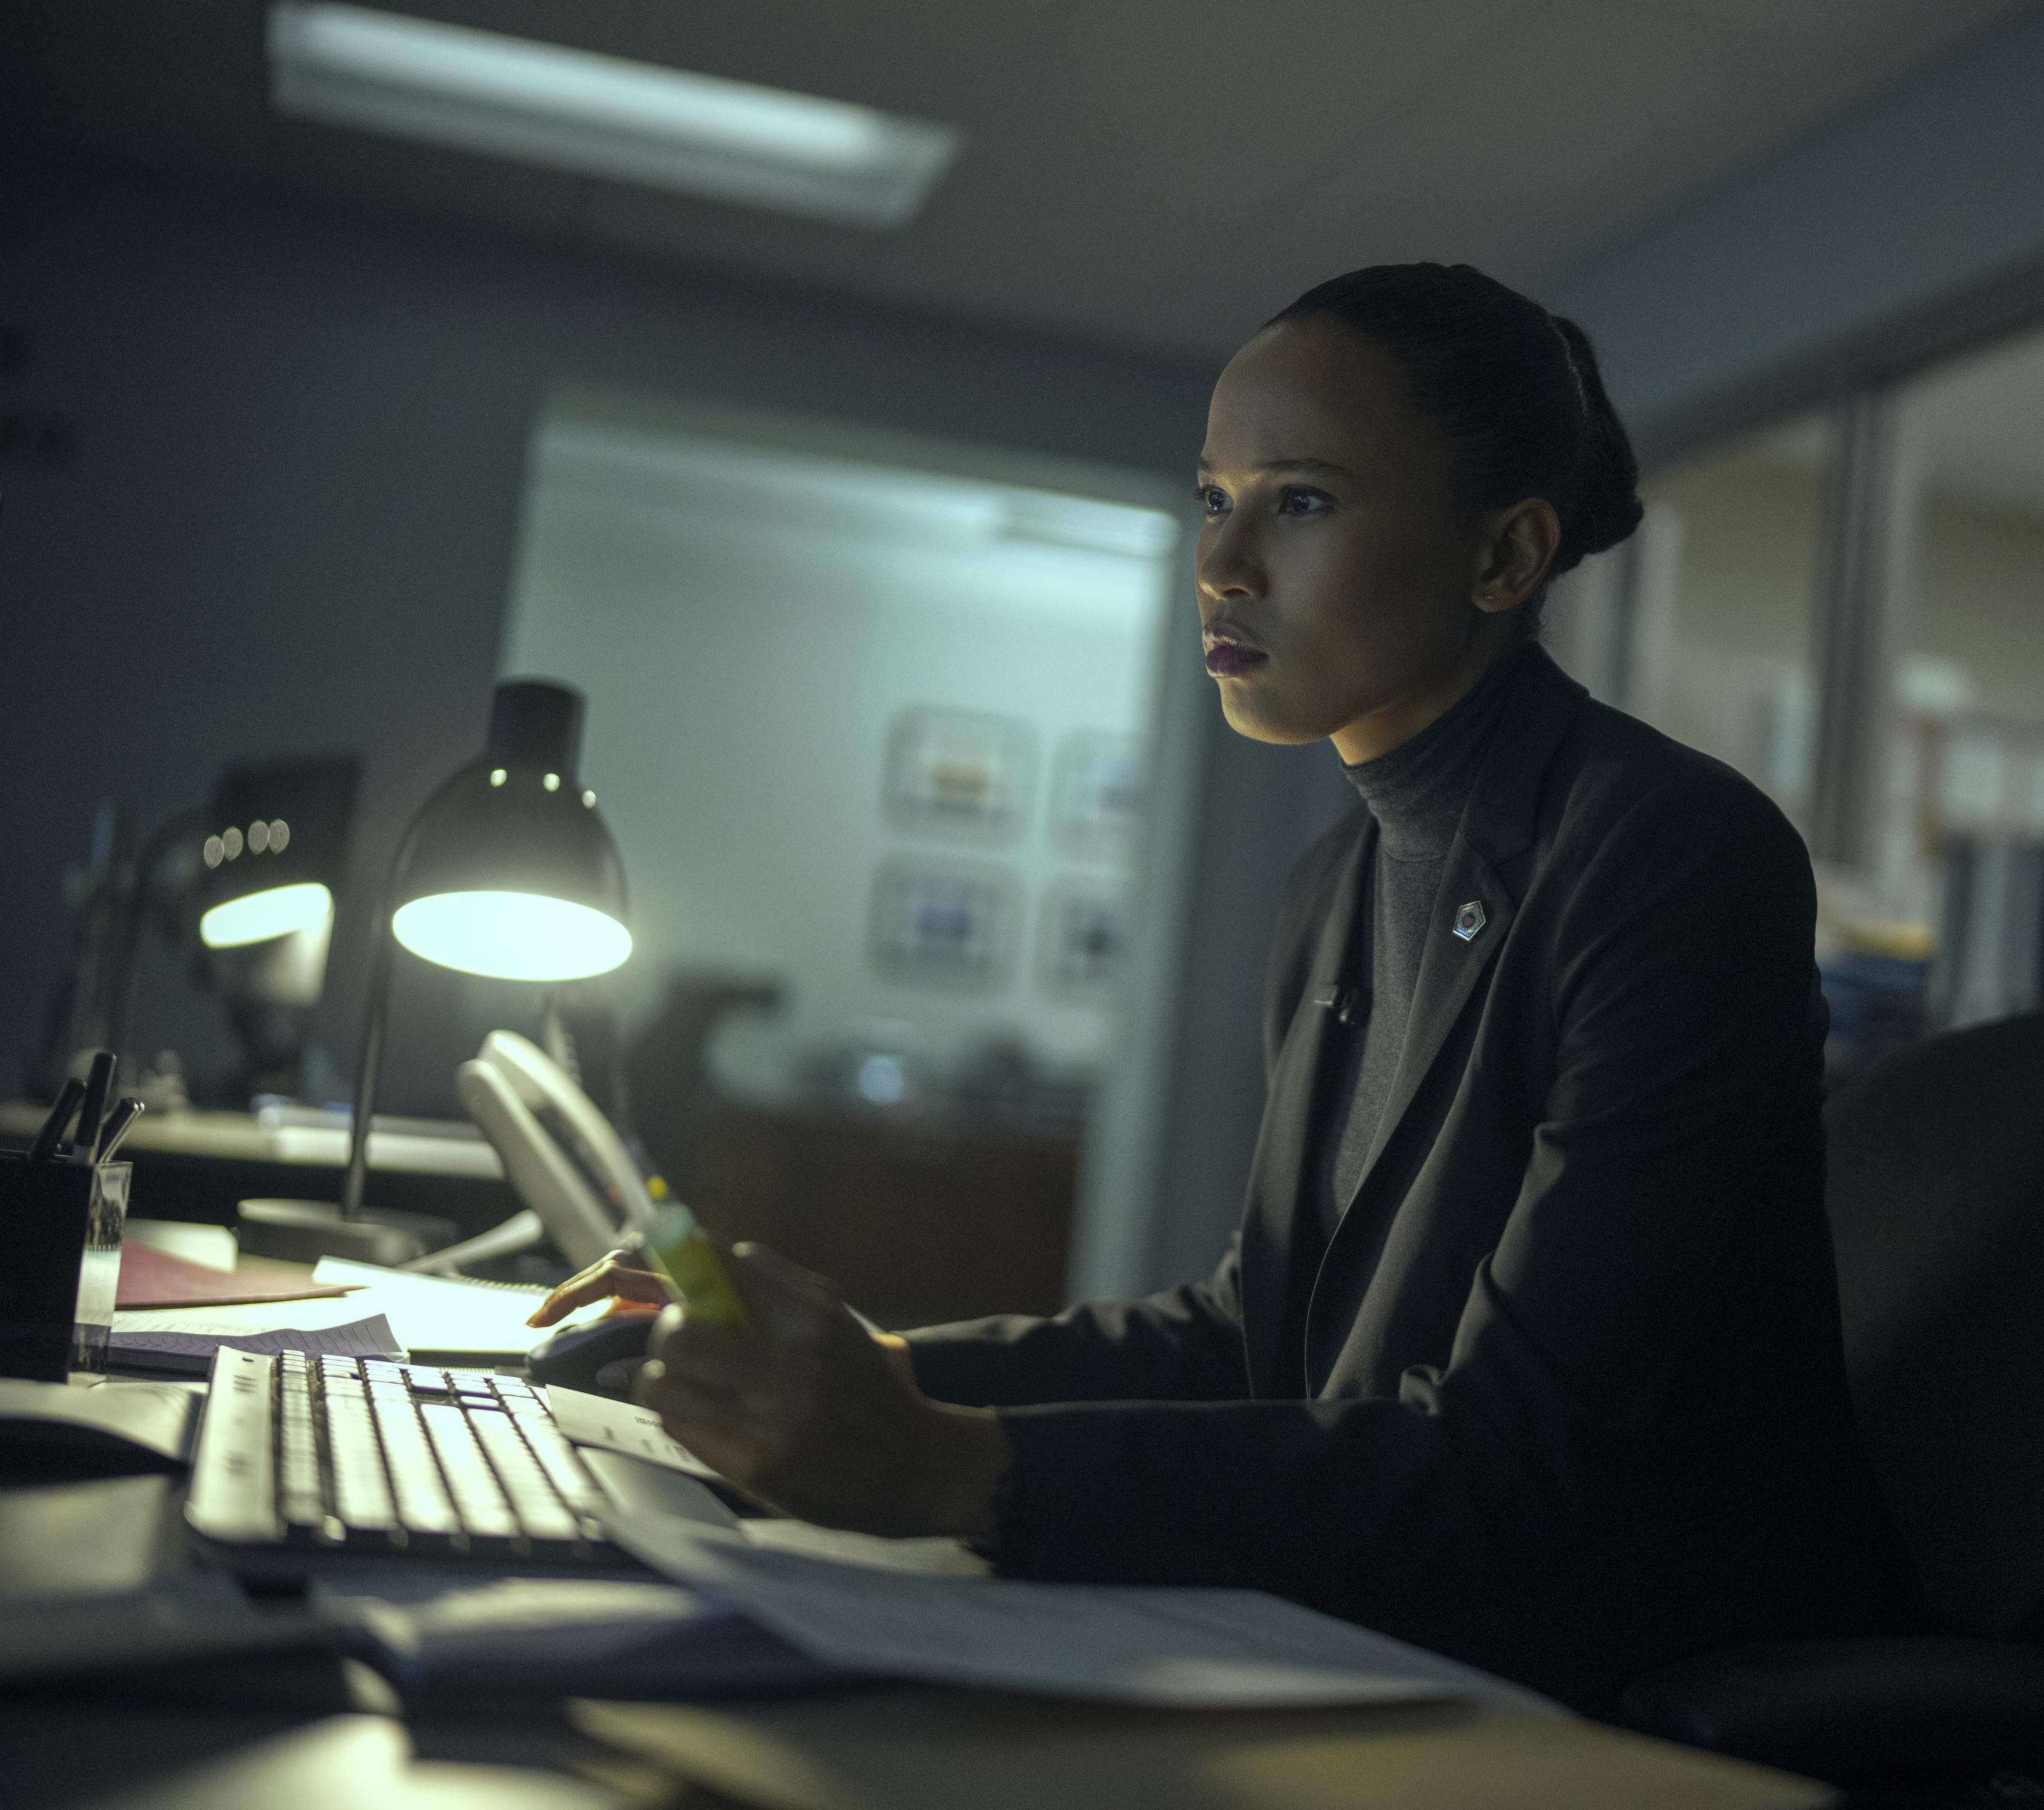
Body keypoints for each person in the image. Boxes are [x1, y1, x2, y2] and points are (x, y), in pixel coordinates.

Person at [530, 262, 1922, 1714]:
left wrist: (944, 1465)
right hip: (1392, 1624)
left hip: (1627, 1676)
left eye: (1301, 501)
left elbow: (1525, 1465)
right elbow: (1254, 1334)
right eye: (1215, 498)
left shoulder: (1671, 853)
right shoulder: (1337, 887)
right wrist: (870, 1367)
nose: (1221, 565)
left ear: (1505, 558)